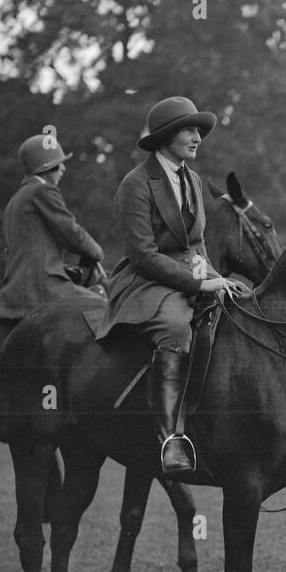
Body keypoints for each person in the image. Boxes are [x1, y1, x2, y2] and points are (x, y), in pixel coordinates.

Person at [91, 96, 251, 474]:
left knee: (241, 300)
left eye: (199, 131)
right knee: (177, 327)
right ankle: (170, 438)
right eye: (189, 130)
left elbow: (196, 246)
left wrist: (217, 278)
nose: (198, 138)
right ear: (165, 136)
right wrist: (200, 283)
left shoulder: (192, 179)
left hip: (187, 277)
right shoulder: (135, 184)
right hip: (145, 282)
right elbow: (144, 255)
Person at [0, 132, 107, 321]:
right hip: (42, 287)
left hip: (15, 290)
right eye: (60, 164)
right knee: (103, 305)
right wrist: (96, 252)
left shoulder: (17, 198)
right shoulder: (42, 190)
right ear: (49, 167)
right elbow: (71, 233)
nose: (63, 169)